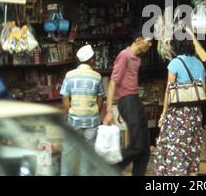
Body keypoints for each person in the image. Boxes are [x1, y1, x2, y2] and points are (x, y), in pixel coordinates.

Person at [154, 31, 206, 176]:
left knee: (177, 150)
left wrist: (164, 113)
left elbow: (168, 92)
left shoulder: (175, 63)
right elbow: (203, 90)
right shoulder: (199, 64)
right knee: (192, 148)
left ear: (176, 45)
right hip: (195, 113)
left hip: (179, 114)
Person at [103, 31, 152, 176]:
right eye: (148, 42)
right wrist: (109, 111)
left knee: (144, 149)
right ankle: (108, 166)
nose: (150, 45)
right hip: (127, 101)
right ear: (138, 40)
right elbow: (112, 83)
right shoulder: (124, 56)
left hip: (135, 100)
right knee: (137, 146)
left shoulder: (136, 59)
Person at [60, 44, 105, 176]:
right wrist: (94, 112)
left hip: (74, 120)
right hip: (92, 121)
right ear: (91, 60)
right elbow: (100, 100)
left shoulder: (69, 75)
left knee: (68, 151)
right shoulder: (97, 76)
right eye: (94, 58)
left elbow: (65, 98)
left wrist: (71, 113)